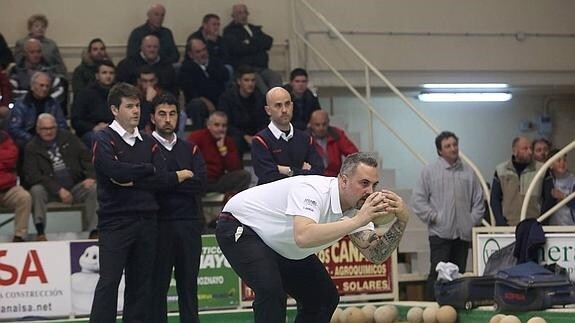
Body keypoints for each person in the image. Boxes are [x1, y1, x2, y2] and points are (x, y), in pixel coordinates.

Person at [216, 152, 409, 323]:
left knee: (323, 298)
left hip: (278, 242)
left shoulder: (358, 210)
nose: (371, 192)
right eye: (364, 183)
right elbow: (303, 236)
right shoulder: (313, 190)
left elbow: (376, 254)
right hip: (240, 225)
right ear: (343, 180)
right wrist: (357, 220)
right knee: (272, 293)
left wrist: (402, 220)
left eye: (374, 184)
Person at [89, 83, 193, 323]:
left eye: (137, 105)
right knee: (109, 281)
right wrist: (146, 169)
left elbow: (163, 179)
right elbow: (113, 170)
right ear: (115, 110)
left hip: (148, 221)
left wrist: (133, 178)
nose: (135, 111)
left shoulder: (149, 141)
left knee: (140, 284)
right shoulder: (103, 138)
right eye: (129, 106)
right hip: (115, 221)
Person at [149, 93, 207, 323]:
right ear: (153, 117)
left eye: (172, 114)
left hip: (189, 224)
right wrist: (181, 177)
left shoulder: (190, 149)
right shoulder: (145, 147)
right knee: (157, 287)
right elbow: (152, 184)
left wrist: (168, 180)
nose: (167, 119)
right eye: (162, 114)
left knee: (188, 286)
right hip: (157, 226)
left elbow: (201, 183)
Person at [410, 131, 485, 300]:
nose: (453, 149)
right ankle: (431, 311)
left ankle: (455, 311)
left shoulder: (469, 172)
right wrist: (436, 218)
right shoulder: (429, 172)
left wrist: (470, 222)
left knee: (458, 275)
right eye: (448, 146)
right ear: (440, 151)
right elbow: (417, 200)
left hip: (462, 236)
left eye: (455, 145)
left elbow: (479, 201)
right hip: (439, 235)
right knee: (436, 276)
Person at [23, 113, 98, 241]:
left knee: (94, 188)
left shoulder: (69, 138)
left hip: (75, 186)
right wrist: (58, 190)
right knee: (36, 190)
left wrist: (91, 176)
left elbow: (87, 157)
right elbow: (33, 176)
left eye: (52, 128)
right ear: (37, 129)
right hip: (49, 190)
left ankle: (95, 231)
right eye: (45, 129)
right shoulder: (31, 147)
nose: (49, 131)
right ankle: (40, 232)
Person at [252, 87, 323, 185]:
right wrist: (303, 172)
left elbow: (319, 172)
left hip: (301, 196)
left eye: (287, 104)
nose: (284, 110)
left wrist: (288, 170)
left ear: (292, 106)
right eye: (278, 105)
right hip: (272, 198)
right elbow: (267, 176)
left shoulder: (306, 138)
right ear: (268, 110)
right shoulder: (260, 140)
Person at [189, 111, 251, 196]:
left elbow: (235, 168)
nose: (220, 129)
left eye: (224, 126)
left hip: (218, 180)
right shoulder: (197, 137)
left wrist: (223, 150)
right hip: (200, 181)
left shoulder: (228, 141)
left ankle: (231, 204)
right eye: (216, 125)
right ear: (208, 125)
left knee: (244, 175)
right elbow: (189, 161)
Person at [223, 3, 282, 92]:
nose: (243, 16)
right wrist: (257, 44)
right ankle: (268, 103)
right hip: (246, 69)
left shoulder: (254, 29)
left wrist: (249, 43)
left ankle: (277, 101)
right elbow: (238, 49)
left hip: (262, 67)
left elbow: (268, 41)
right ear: (233, 16)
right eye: (239, 13)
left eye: (245, 13)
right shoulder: (229, 31)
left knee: (276, 77)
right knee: (260, 85)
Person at [491, 136, 544, 226]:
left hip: (533, 226)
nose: (530, 152)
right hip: (508, 226)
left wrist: (541, 221)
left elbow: (548, 199)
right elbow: (494, 199)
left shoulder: (541, 169)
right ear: (515, 151)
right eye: (525, 148)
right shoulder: (501, 170)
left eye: (531, 148)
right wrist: (501, 223)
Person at [178, 37, 229, 129]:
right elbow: (191, 92)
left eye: (204, 50)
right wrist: (206, 102)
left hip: (219, 100)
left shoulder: (215, 62)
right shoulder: (186, 69)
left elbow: (225, 77)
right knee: (197, 105)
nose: (203, 54)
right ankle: (201, 136)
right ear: (190, 54)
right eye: (198, 52)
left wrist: (209, 67)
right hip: (198, 102)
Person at [8, 71, 67, 149]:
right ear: (32, 86)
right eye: (41, 85)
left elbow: (62, 124)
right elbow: (15, 128)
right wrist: (33, 139)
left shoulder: (53, 103)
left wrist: (52, 136)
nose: (45, 89)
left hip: (50, 136)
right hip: (29, 138)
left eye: (47, 86)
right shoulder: (22, 104)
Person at [217, 65, 267, 157]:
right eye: (246, 80)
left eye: (253, 80)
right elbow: (226, 124)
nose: (250, 84)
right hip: (236, 135)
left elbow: (263, 122)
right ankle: (237, 170)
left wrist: (257, 136)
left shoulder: (260, 98)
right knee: (236, 141)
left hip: (255, 135)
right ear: (239, 81)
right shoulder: (227, 98)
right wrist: (244, 136)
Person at [71, 61, 116, 147]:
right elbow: (76, 121)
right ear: (97, 76)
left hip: (115, 130)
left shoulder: (119, 94)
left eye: (111, 73)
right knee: (99, 138)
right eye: (104, 73)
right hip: (91, 132)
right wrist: (94, 128)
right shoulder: (84, 94)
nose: (108, 76)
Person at [0, 129, 32, 242]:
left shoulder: (3, 136)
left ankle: (19, 236)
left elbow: (11, 156)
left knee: (24, 197)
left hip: (7, 188)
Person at [307, 110, 359, 177]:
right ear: (311, 124)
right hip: (312, 177)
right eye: (317, 125)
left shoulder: (337, 134)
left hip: (334, 176)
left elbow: (354, 154)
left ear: (328, 123)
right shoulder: (304, 138)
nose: (321, 128)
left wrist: (347, 172)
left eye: (324, 124)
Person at [543, 149, 575, 225]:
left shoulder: (573, 180)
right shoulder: (547, 182)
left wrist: (563, 196)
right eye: (558, 160)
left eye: (564, 160)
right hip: (552, 226)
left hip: (571, 225)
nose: (562, 163)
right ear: (550, 165)